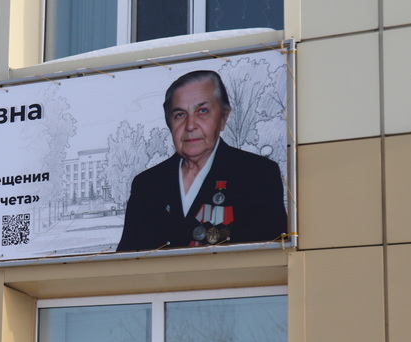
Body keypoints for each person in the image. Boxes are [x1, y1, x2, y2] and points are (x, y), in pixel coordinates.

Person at [116, 70, 286, 252]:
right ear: (169, 123)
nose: (190, 125)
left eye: (202, 111)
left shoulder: (257, 175)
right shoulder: (146, 185)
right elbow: (126, 259)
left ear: (223, 117)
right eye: (180, 114)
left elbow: (274, 254)